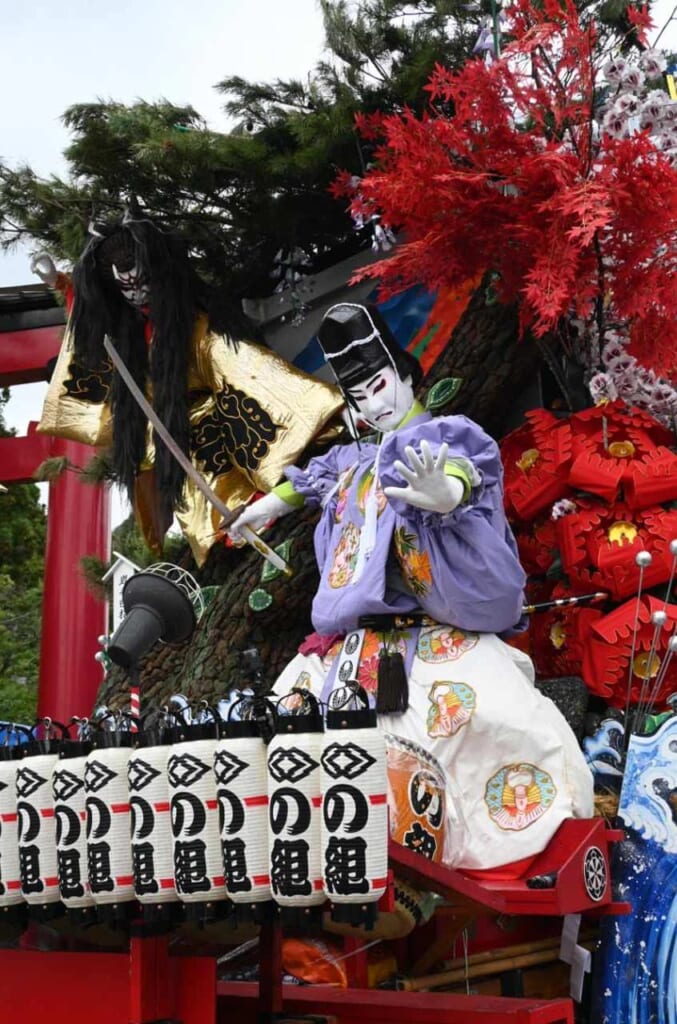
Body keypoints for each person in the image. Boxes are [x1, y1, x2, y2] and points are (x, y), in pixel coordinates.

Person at [227, 302, 594, 872]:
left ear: (404, 374)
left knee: (496, 726)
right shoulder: (351, 462)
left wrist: (447, 493)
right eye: (359, 398)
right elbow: (311, 481)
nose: (375, 405)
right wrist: (265, 507)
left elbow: (464, 471)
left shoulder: (444, 439)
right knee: (297, 753)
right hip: (349, 658)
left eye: (379, 386)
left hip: (436, 644)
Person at [33, 210, 343, 563]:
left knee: (239, 380)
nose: (137, 294)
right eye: (127, 289)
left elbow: (245, 368)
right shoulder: (125, 334)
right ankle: (224, 549)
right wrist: (59, 282)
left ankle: (275, 490)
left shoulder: (197, 326)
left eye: (142, 282)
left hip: (219, 416)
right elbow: (90, 312)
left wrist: (314, 407)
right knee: (202, 513)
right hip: (176, 438)